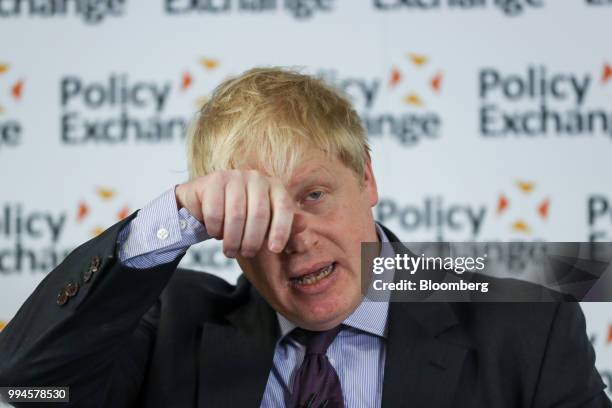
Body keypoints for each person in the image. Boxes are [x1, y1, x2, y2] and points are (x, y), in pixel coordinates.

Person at [0, 67, 609, 408]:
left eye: (313, 195)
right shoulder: (168, 325)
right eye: (260, 210)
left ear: (366, 177)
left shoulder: (527, 324)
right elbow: (28, 389)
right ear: (224, 230)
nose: (293, 238)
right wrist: (170, 221)